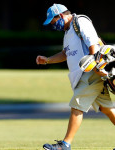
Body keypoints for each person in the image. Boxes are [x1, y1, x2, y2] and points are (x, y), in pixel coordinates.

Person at [36, 3, 115, 150]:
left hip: (90, 73)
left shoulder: (80, 22)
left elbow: (93, 44)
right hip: (83, 75)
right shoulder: (68, 31)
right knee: (107, 109)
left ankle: (65, 144)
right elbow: (65, 54)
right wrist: (47, 60)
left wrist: (97, 66)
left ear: (60, 15)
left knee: (76, 106)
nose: (53, 25)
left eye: (53, 21)